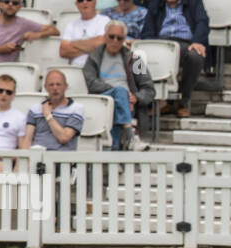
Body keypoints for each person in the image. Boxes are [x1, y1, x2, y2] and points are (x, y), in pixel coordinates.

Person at [84, 20, 154, 150]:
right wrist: (121, 94)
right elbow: (91, 83)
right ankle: (130, 136)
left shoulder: (134, 59)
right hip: (102, 102)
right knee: (120, 94)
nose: (115, 41)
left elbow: (148, 88)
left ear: (124, 39)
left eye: (119, 38)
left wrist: (136, 97)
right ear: (105, 36)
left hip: (128, 105)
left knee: (117, 106)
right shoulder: (94, 57)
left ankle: (114, 149)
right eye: (111, 37)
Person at [140, 0, 209, 119]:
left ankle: (182, 102)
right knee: (140, 57)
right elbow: (147, 30)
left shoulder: (194, 2)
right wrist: (150, 44)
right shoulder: (155, 4)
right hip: (161, 44)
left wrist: (197, 41)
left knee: (195, 56)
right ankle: (155, 102)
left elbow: (202, 22)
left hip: (186, 43)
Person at [0, 0, 58, 66]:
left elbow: (54, 30)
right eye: (7, 2)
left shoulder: (24, 24)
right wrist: (2, 49)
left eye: (15, 3)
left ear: (19, 7)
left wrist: (38, 34)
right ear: (0, 4)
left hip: (3, 68)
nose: (10, 5)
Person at [25, 68, 85, 151]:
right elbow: (27, 140)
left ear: (66, 87)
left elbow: (64, 138)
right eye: (51, 85)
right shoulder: (35, 110)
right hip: (37, 158)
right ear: (45, 87)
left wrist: (48, 116)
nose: (55, 88)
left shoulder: (76, 109)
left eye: (58, 84)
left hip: (62, 161)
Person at [60, 0, 110, 68]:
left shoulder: (104, 20)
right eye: (80, 0)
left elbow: (100, 44)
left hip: (96, 68)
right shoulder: (71, 24)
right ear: (76, 4)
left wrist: (72, 44)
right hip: (75, 68)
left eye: (89, 0)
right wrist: (91, 46)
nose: (85, 2)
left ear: (95, 2)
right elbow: (63, 51)